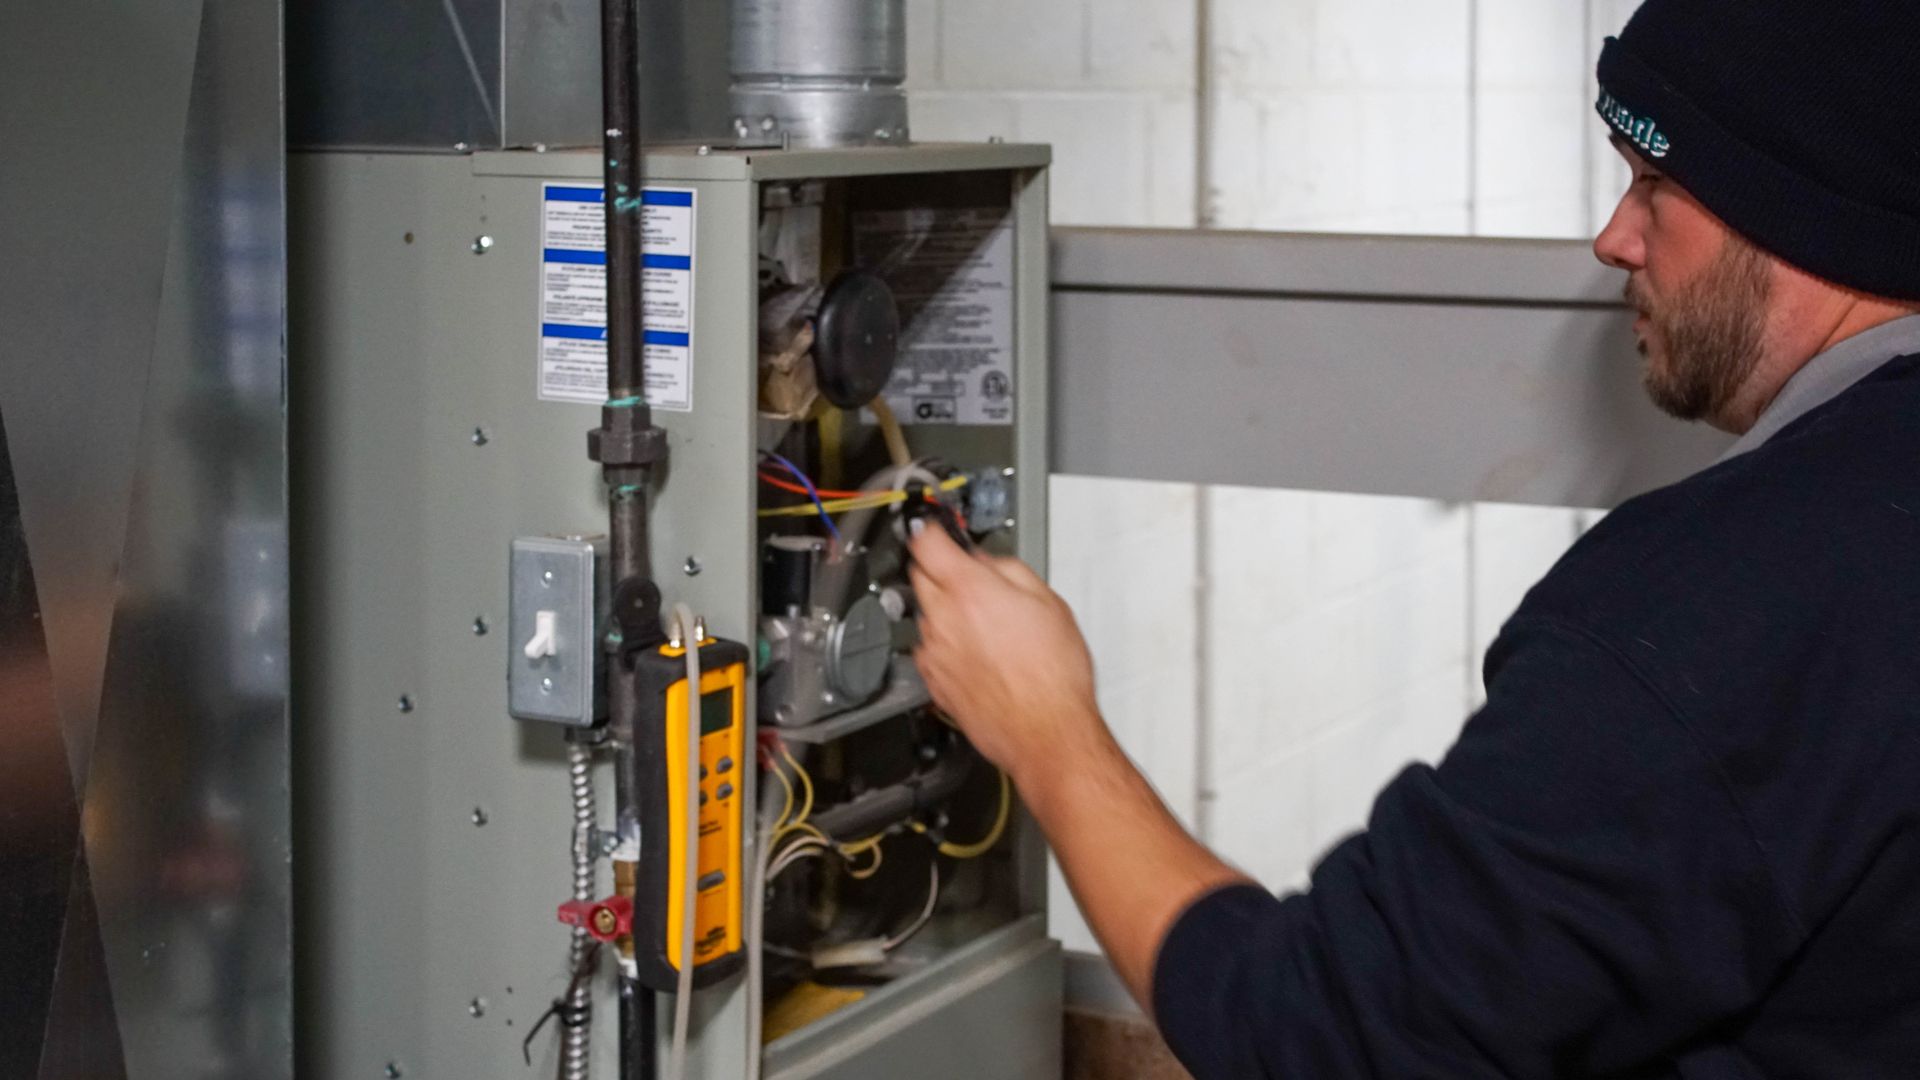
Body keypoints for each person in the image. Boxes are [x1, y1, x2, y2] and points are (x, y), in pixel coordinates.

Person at [909, 1, 1920, 1075]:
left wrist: (1050, 732)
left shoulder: (1727, 607)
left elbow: (1323, 1040)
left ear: (1793, 209)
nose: (1615, 237)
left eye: (1656, 185)